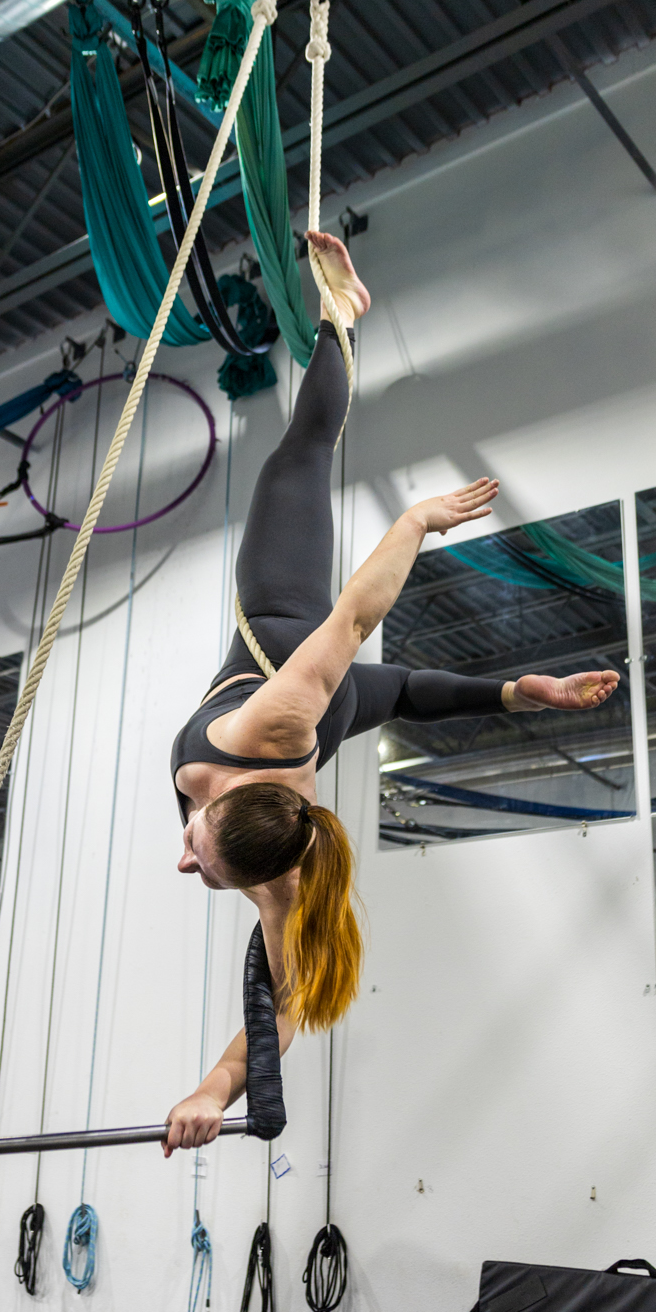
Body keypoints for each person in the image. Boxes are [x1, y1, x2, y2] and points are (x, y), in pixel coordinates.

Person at [163, 231, 620, 1155]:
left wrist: (216, 1087)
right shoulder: (271, 723)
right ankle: (343, 315)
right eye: (203, 858)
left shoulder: (279, 868)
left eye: (198, 860)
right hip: (291, 636)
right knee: (301, 449)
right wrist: (414, 520)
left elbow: (288, 1004)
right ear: (236, 814)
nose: (182, 862)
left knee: (403, 692)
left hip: (335, 711)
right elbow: (351, 625)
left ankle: (515, 693)